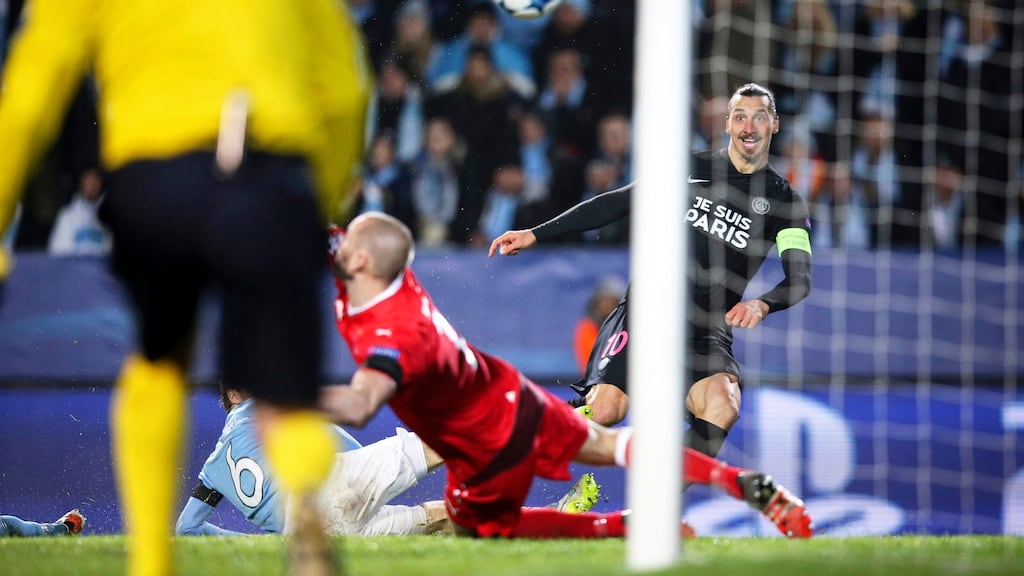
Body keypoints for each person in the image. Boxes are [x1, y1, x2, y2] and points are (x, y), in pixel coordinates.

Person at [0, 2, 372, 575]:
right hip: (270, 166)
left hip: (154, 173)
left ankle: (151, 561)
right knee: (281, 385)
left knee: (159, 361)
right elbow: (347, 88)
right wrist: (323, 199)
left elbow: (28, 94)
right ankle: (306, 515)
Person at [319, 211, 813, 539]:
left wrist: (283, 391)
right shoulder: (385, 277)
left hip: (475, 427)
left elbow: (363, 404)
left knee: (481, 524)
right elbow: (327, 237)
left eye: (348, 248)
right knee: (607, 441)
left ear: (361, 261)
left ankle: (617, 527)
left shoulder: (387, 327)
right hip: (505, 393)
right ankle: (740, 482)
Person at [488, 83, 813, 466]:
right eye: (740, 116)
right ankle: (502, 439)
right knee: (606, 410)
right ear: (726, 123)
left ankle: (652, 509)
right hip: (649, 311)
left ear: (774, 125)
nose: (749, 127)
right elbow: (617, 203)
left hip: (705, 328)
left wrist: (762, 304)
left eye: (760, 118)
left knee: (723, 405)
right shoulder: (690, 167)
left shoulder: (787, 204)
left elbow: (799, 279)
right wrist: (535, 233)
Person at [176, 384, 450, 537]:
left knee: (438, 520)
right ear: (234, 394)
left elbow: (186, 528)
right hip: (329, 490)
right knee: (432, 446)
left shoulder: (211, 472)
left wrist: (255, 541)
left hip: (311, 534)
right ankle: (493, 439)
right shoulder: (266, 409)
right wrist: (368, 479)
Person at [573, 276, 627, 374]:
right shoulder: (588, 326)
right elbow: (590, 362)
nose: (606, 304)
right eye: (603, 299)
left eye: (611, 300)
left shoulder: (628, 326)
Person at [0, 510, 86, 537]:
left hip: (6, 525)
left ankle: (64, 528)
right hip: (7, 524)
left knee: (22, 530)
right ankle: (63, 528)